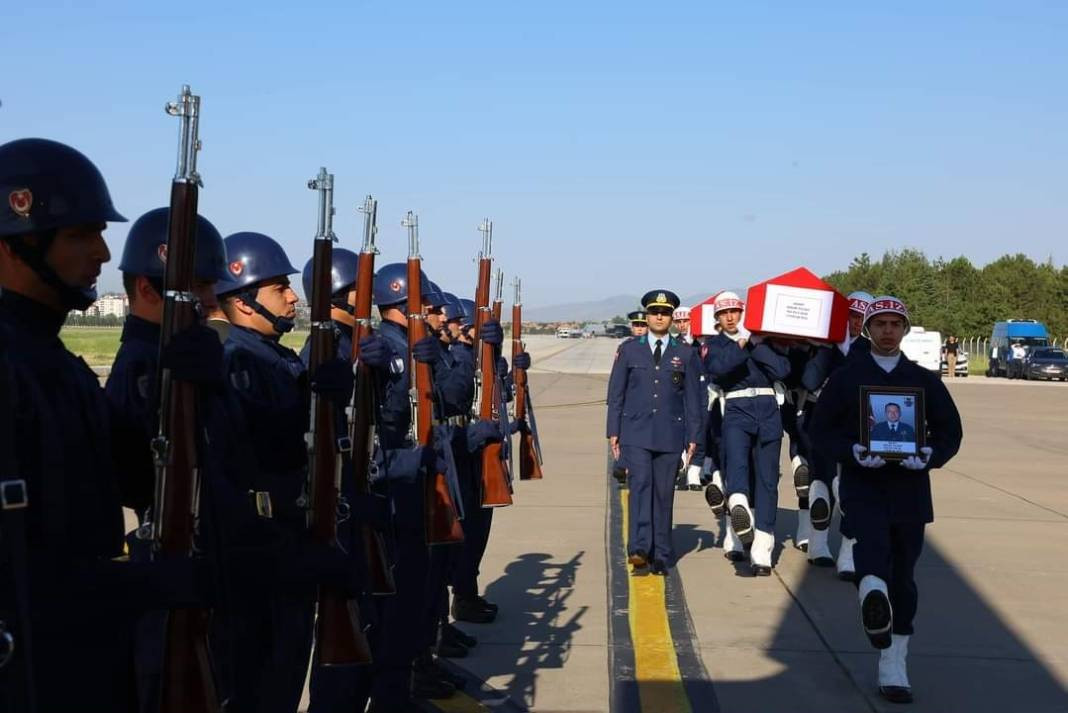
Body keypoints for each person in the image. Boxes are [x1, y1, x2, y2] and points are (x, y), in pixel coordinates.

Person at [0, 138, 207, 712]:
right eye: (80, 234)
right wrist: (133, 586)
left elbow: (135, 480)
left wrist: (194, 392)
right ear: (16, 243)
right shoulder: (15, 366)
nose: (102, 251)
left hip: (83, 666)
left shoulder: (57, 364)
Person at [217, 231, 355, 713]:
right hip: (264, 555)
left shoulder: (273, 357)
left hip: (288, 545)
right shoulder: (237, 361)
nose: (294, 296)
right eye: (280, 287)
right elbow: (255, 458)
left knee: (286, 675)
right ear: (243, 300)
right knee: (263, 686)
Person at [811, 295, 962, 704]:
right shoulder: (847, 379)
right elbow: (820, 430)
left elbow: (950, 432)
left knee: (904, 579)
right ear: (868, 330)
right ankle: (872, 602)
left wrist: (930, 455)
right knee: (872, 555)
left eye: (896, 324)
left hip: (910, 492)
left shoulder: (924, 380)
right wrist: (851, 451)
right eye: (880, 324)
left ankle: (894, 663)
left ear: (905, 330)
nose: (888, 331)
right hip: (864, 486)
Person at [607, 290, 703, 574]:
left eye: (665, 313)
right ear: (647, 316)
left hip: (670, 433)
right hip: (635, 432)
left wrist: (694, 436)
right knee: (640, 486)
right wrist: (613, 431)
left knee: (663, 493)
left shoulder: (685, 353)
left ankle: (661, 552)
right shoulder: (629, 350)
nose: (659, 317)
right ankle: (639, 548)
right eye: (654, 312)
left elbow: (693, 399)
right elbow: (616, 394)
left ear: (671, 318)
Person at [702, 291, 791, 575]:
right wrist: (741, 344)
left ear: (743, 313)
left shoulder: (765, 341)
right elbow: (717, 369)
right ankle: (740, 514)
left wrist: (757, 343)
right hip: (736, 410)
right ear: (717, 318)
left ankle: (762, 548)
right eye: (724, 313)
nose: (730, 317)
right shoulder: (714, 344)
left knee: (767, 480)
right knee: (737, 468)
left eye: (735, 312)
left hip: (767, 410)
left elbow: (782, 370)